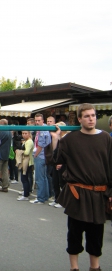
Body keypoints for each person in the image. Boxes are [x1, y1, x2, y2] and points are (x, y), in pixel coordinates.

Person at [50, 103, 112, 271]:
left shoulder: (106, 138)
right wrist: (56, 139)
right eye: (87, 116)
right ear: (79, 119)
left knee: (96, 235)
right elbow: (56, 161)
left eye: (93, 115)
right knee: (75, 234)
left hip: (99, 195)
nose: (91, 119)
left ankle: (95, 267)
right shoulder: (70, 139)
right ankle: (74, 268)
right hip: (77, 194)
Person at [30, 113, 51, 204]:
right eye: (36, 120)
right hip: (43, 156)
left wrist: (35, 155)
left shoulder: (43, 130)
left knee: (39, 178)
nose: (37, 122)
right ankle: (45, 196)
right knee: (44, 177)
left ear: (43, 121)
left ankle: (40, 198)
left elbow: (41, 145)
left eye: (39, 120)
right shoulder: (42, 128)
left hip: (40, 156)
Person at [16, 131, 34, 201]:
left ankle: (26, 195)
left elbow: (26, 152)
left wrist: (19, 151)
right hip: (26, 161)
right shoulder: (26, 141)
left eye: (25, 133)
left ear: (29, 134)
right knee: (25, 178)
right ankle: (26, 192)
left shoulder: (29, 142)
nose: (23, 135)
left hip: (27, 162)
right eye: (23, 133)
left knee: (24, 179)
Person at [0, 119, 12, 193]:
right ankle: (5, 186)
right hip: (6, 153)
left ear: (1, 123)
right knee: (5, 171)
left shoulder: (3, 131)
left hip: (0, 153)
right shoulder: (9, 131)